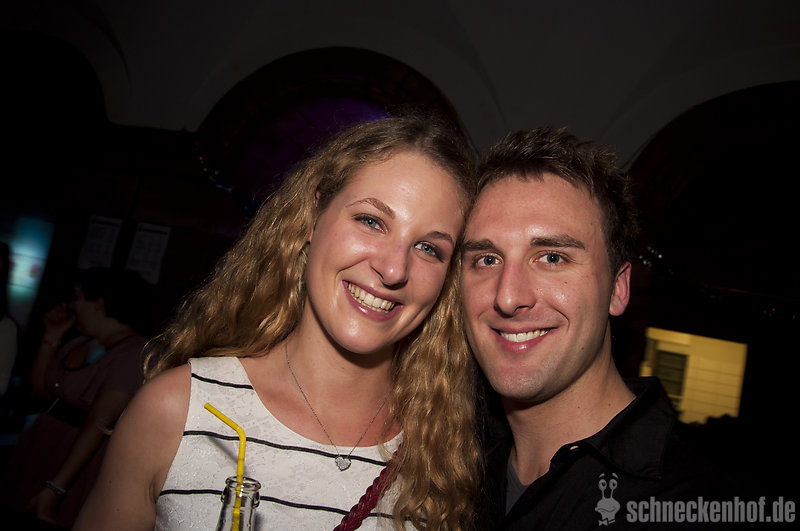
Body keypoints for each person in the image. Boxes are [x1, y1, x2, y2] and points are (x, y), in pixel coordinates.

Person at [74, 113, 482, 530]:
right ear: (312, 217)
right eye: (371, 221)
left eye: (429, 248)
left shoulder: (445, 453)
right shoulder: (177, 410)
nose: (394, 269)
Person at [461, 127, 740, 530]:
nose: (508, 297)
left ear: (617, 289)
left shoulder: (694, 503)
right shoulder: (451, 462)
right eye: (487, 259)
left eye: (552, 257)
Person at [0, 267, 150, 529]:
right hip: (40, 444)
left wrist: (56, 487)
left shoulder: (133, 353)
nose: (72, 306)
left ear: (98, 303)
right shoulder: (80, 341)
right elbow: (40, 390)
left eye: (78, 298)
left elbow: (98, 422)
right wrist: (51, 337)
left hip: (71, 457)